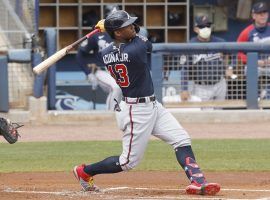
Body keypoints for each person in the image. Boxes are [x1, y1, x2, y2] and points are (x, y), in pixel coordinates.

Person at [73, 10, 220, 196]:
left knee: (181, 139)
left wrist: (108, 29)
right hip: (137, 110)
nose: (133, 27)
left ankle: (198, 182)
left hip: (152, 105)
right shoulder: (136, 48)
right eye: (126, 26)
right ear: (118, 32)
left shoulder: (106, 52)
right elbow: (146, 41)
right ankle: (84, 172)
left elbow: (121, 41)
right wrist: (108, 27)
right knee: (127, 162)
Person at [180, 14, 233, 103]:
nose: (206, 28)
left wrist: (230, 67)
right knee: (206, 114)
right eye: (202, 26)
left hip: (220, 84)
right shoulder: (190, 45)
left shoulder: (220, 42)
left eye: (208, 26)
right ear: (195, 29)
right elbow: (184, 68)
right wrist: (184, 89)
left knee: (220, 115)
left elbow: (234, 54)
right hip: (201, 87)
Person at [76, 30, 122, 110]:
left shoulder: (126, 33)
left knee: (122, 93)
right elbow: (80, 54)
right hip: (102, 70)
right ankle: (110, 115)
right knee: (116, 88)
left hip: (119, 70)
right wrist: (88, 73)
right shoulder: (97, 34)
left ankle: (116, 116)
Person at [237, 1, 270, 99]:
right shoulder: (247, 32)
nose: (263, 15)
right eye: (260, 13)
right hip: (255, 66)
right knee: (249, 70)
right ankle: (254, 99)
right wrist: (253, 61)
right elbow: (239, 52)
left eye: (265, 12)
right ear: (253, 15)